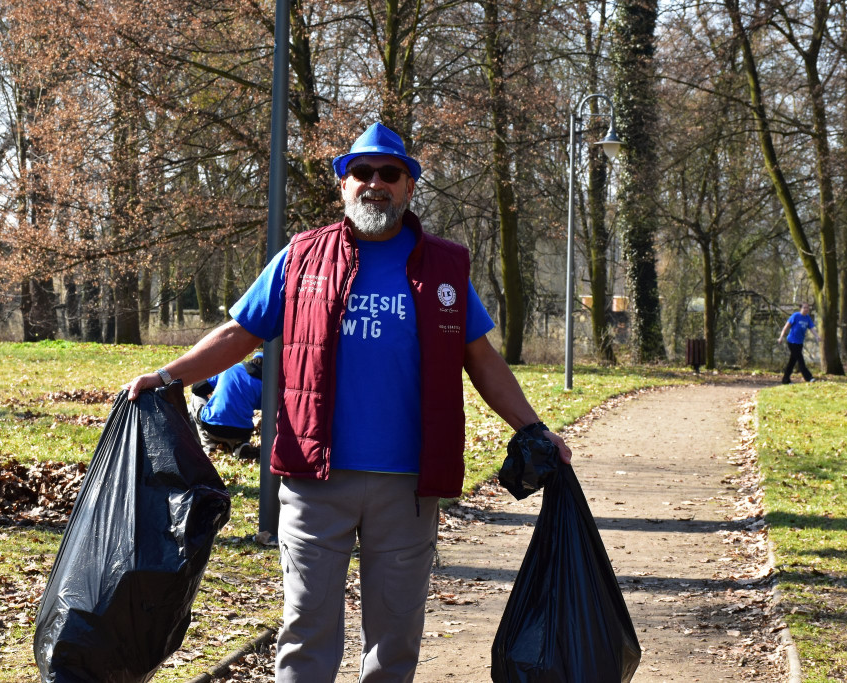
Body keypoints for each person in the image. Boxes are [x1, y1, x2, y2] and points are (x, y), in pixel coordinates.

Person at [125, 122, 572, 682]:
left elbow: (480, 360)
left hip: (408, 485)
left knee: (394, 641)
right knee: (306, 633)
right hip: (315, 480)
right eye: (362, 172)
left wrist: (534, 427)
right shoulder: (302, 257)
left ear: (409, 187)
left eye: (390, 173)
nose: (375, 183)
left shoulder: (445, 267)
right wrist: (168, 374)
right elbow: (240, 333)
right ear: (343, 184)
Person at [189, 352, 263, 457]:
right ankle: (240, 445)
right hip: (242, 432)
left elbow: (197, 388)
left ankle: (209, 444)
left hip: (212, 427)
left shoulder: (231, 368)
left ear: (252, 361)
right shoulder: (265, 384)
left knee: (196, 396)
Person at [777, 302, 819, 384]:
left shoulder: (807, 318)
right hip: (792, 341)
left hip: (800, 343)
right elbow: (786, 327)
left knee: (792, 362)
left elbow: (811, 328)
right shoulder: (795, 316)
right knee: (800, 360)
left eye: (807, 308)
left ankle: (785, 380)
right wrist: (781, 337)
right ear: (801, 308)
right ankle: (809, 377)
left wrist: (817, 336)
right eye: (804, 307)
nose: (806, 309)